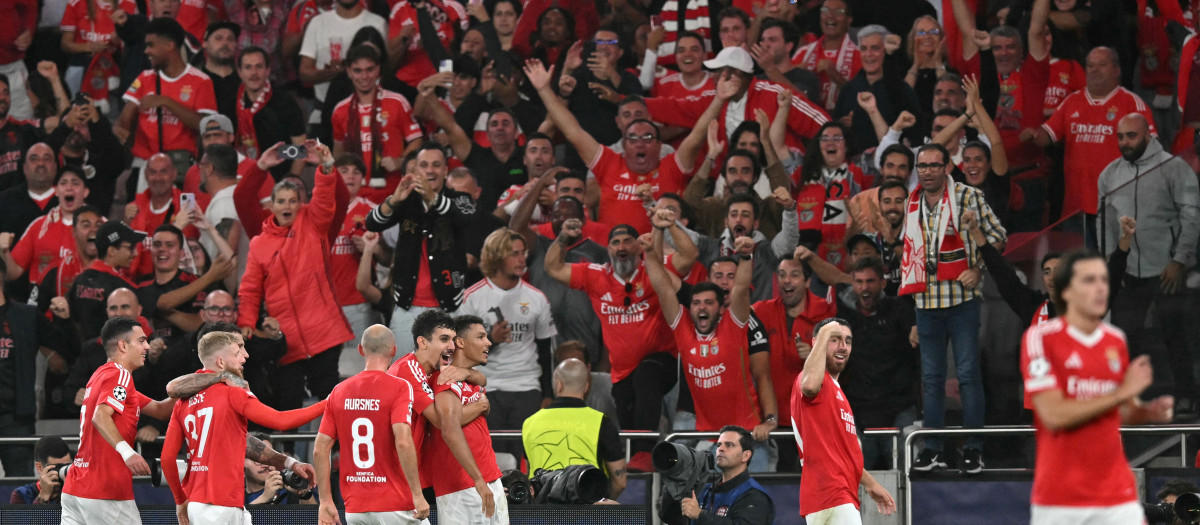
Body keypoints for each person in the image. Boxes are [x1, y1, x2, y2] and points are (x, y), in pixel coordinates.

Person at [1021, 250, 1173, 524]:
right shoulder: (1039, 339)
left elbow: (1119, 412)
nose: (1101, 287)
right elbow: (1053, 415)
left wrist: (1147, 412)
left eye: (1103, 279)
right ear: (1066, 291)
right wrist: (1122, 393)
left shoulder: (1114, 340)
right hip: (1060, 496)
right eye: (1089, 280)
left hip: (1116, 491)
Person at [901, 143, 1006, 474]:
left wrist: (979, 271)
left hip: (961, 300)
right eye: (923, 166)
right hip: (925, 301)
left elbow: (999, 237)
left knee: (967, 376)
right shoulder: (912, 201)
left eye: (935, 165)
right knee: (930, 379)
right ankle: (934, 450)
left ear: (948, 167)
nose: (928, 171)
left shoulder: (968, 196)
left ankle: (973, 449)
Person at [646, 210, 778, 471]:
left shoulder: (735, 325)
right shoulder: (683, 328)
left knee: (758, 504)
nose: (701, 307)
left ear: (720, 309)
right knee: (707, 506)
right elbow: (661, 285)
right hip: (711, 440)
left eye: (708, 303)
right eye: (696, 303)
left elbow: (740, 289)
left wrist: (745, 256)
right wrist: (657, 230)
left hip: (748, 437)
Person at [543, 220, 677, 471]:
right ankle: (635, 469)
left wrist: (665, 230)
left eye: (627, 240)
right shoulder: (596, 275)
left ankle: (645, 453)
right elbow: (552, 267)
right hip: (622, 371)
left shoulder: (653, 269)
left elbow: (687, 259)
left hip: (662, 360)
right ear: (608, 250)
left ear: (639, 246)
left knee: (646, 374)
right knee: (626, 407)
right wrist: (563, 238)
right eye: (615, 242)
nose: (621, 246)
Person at [525, 58, 714, 234]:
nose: (640, 142)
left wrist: (720, 99)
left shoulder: (672, 166)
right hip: (613, 258)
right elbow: (572, 131)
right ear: (623, 145)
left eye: (647, 137)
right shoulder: (609, 162)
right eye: (632, 138)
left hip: (662, 257)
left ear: (659, 145)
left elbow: (697, 135)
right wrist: (544, 90)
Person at [160, 331, 327, 524]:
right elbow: (281, 421)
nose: (245, 356)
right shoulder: (233, 393)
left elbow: (166, 459)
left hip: (201, 503)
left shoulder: (183, 402)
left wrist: (180, 500)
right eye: (237, 351)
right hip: (221, 505)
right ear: (221, 362)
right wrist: (326, 404)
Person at [238, 140, 353, 411]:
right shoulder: (259, 243)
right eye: (281, 201)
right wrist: (245, 320)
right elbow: (251, 288)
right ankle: (289, 453)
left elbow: (326, 199)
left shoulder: (313, 221)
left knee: (328, 395)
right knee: (288, 402)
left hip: (324, 330)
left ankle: (336, 452)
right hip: (285, 338)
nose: (287, 206)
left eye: (292, 201)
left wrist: (326, 167)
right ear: (272, 205)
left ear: (301, 203)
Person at [1098, 113, 1200, 416]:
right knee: (1122, 338)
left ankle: (1188, 396)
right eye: (1120, 137)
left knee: (1174, 334)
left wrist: (1179, 259)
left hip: (1167, 268)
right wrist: (1112, 265)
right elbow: (1104, 225)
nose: (1124, 142)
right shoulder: (1109, 173)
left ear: (1147, 135)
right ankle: (1126, 400)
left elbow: (1192, 216)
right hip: (1128, 271)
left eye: (1131, 136)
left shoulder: (1174, 167)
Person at [60, 317, 177, 525]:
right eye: (141, 341)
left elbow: (161, 410)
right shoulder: (120, 374)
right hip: (105, 491)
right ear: (123, 345)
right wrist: (128, 453)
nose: (147, 346)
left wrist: (197, 382)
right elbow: (100, 416)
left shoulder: (100, 376)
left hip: (76, 490)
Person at [458, 228, 557, 466]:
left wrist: (548, 395)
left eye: (523, 253)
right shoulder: (473, 298)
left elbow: (546, 352)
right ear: (496, 257)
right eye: (514, 254)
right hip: (486, 390)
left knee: (529, 463)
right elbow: (459, 355)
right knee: (494, 463)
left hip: (527, 388)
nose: (522, 259)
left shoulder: (537, 298)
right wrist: (490, 340)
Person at [366, 145, 477, 356]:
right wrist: (394, 200)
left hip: (450, 306)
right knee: (404, 378)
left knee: (448, 381)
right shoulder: (406, 200)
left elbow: (468, 217)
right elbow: (372, 223)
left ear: (446, 171)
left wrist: (432, 199)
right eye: (423, 165)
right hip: (407, 307)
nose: (430, 170)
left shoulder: (460, 198)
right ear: (415, 171)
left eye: (436, 165)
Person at [314, 324, 429, 523]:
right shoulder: (400, 387)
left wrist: (325, 500)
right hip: (396, 505)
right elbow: (403, 441)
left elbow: (320, 449)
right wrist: (418, 495)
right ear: (394, 350)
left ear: (360, 349)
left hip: (356, 509)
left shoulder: (339, 391)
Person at [793, 318, 896, 523]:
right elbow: (810, 386)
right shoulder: (814, 377)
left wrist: (869, 482)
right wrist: (823, 335)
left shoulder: (835, 390)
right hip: (830, 494)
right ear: (818, 342)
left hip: (837, 495)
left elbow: (842, 453)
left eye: (848, 341)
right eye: (835, 339)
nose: (843, 346)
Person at [115, 17, 218, 192]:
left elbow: (206, 125)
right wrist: (122, 124)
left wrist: (166, 102)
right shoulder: (145, 78)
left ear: (170, 46)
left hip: (181, 168)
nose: (146, 51)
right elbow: (124, 121)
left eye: (151, 45)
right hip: (144, 166)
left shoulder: (201, 81)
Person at [835, 257, 919, 470]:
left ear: (882, 283)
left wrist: (916, 330)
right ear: (852, 284)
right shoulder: (844, 317)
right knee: (858, 478)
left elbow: (916, 336)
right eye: (859, 282)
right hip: (860, 411)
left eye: (870, 281)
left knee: (906, 471)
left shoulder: (900, 309)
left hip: (900, 409)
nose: (865, 287)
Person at [427, 315, 506, 523]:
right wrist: (479, 406)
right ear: (460, 342)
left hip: (490, 479)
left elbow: (481, 385)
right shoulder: (444, 379)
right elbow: (449, 426)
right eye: (481, 336)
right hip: (462, 486)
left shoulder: (471, 377)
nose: (488, 342)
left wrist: (468, 375)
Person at [522, 357, 626, 499]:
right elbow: (620, 482)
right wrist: (604, 503)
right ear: (586, 386)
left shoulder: (530, 423)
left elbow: (528, 473)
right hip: (588, 512)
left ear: (558, 385)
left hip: (543, 513)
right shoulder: (601, 422)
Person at [331, 44, 423, 191]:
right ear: (348, 72)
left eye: (370, 70)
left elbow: (417, 140)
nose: (364, 77)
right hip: (356, 194)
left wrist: (400, 161)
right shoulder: (340, 110)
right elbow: (339, 154)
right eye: (357, 71)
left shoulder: (397, 102)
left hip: (393, 191)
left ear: (378, 70)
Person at [297, 0, 387, 125]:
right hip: (323, 113)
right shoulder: (318, 23)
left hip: (373, 113)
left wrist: (346, 71)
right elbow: (304, 75)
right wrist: (330, 73)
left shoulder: (378, 23)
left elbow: (386, 68)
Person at [662, 426, 775, 524]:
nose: (720, 449)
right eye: (719, 444)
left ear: (745, 455)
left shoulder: (754, 495)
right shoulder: (704, 488)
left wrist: (700, 515)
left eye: (729, 445)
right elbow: (669, 517)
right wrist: (676, 480)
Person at [67, 221, 143, 341]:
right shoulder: (122, 289)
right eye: (130, 247)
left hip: (83, 354)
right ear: (112, 251)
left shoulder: (79, 280)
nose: (135, 253)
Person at [10, 436, 72, 504]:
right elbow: (27, 515)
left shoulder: (77, 491)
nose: (62, 472)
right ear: (39, 467)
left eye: (66, 466)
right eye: (57, 467)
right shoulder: (21, 494)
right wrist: (44, 495)